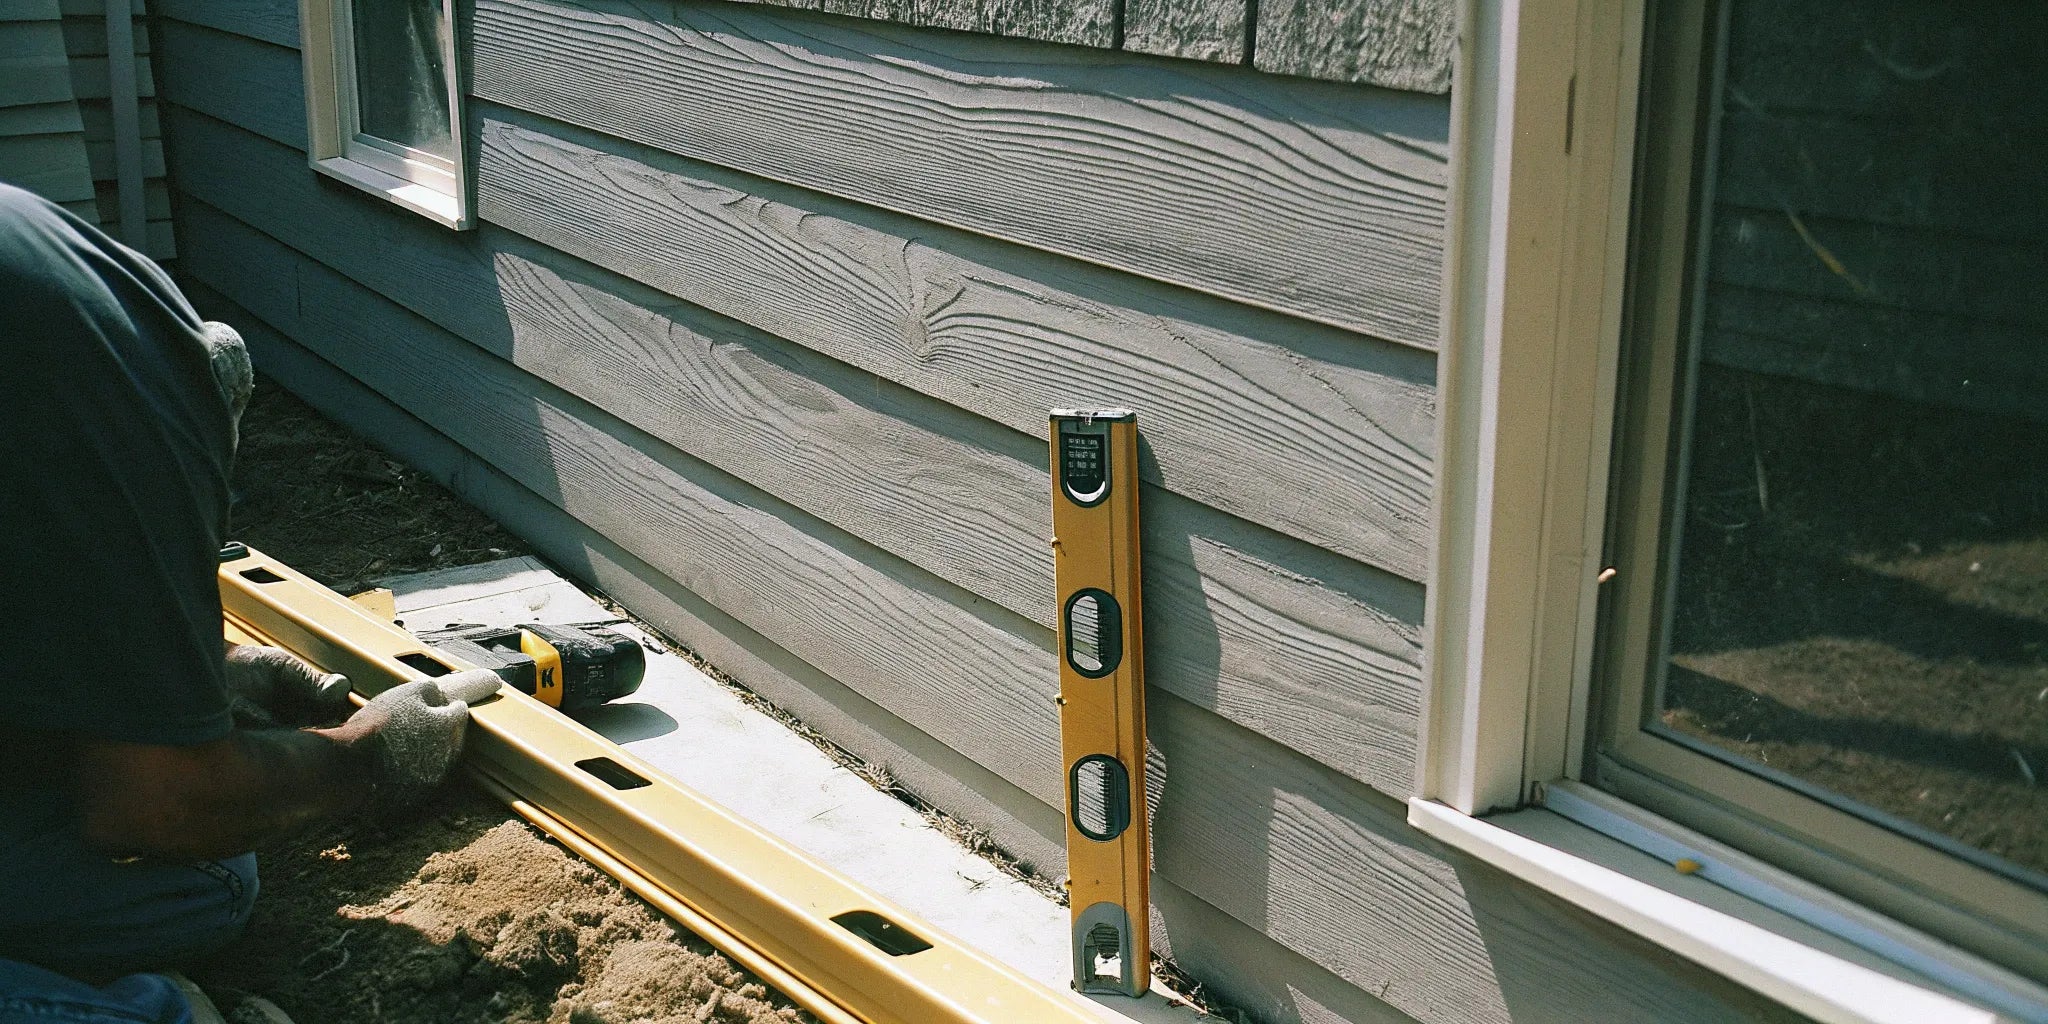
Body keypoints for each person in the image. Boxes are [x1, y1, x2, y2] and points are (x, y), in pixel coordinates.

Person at [0, 183, 497, 1023]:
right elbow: (161, 806)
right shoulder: (109, 398)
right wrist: (364, 761)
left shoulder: (55, 319)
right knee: (204, 885)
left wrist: (206, 672)